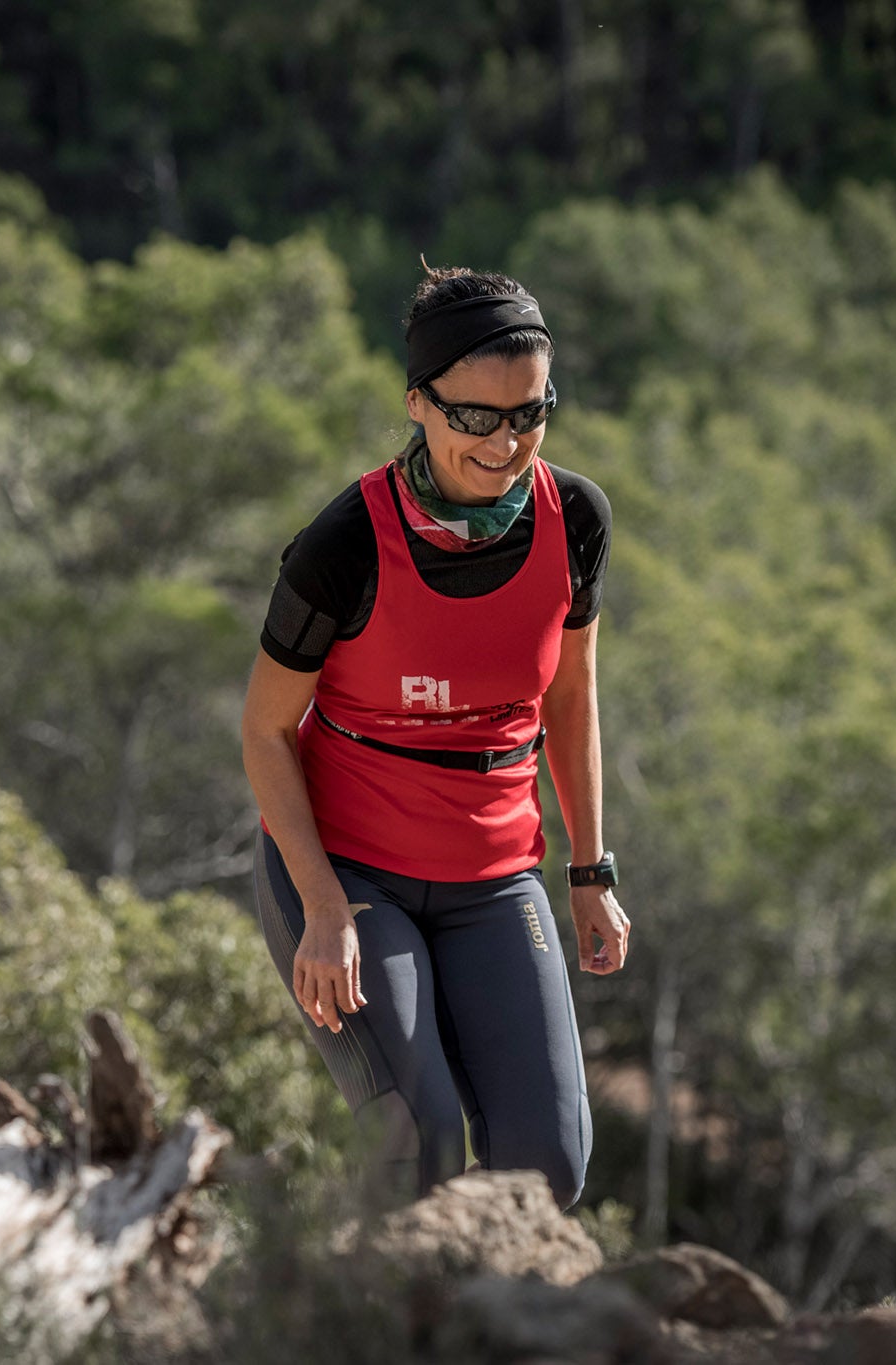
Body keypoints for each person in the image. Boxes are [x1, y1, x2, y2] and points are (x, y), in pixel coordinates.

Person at [241, 266, 631, 1206]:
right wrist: (324, 907)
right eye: (475, 418)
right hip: (352, 873)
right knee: (414, 1151)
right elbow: (263, 730)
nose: (506, 443)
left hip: (494, 874)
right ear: (418, 403)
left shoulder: (573, 518)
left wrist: (589, 871)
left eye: (530, 414)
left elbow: (570, 701)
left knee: (550, 1169)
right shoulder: (343, 544)